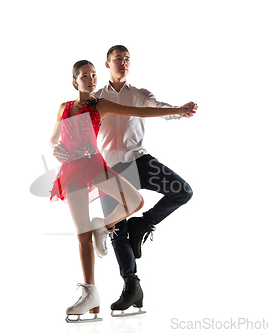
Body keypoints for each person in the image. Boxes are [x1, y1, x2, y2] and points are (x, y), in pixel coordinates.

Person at [49, 60, 197, 323]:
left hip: (94, 163)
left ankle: (102, 226)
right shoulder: (64, 107)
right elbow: (54, 137)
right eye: (85, 76)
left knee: (135, 201)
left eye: (94, 75)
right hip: (70, 169)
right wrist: (55, 147)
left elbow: (139, 112)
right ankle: (90, 295)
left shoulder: (100, 105)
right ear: (75, 81)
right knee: (81, 235)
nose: (92, 79)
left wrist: (178, 110)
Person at [92, 45, 196, 317]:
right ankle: (132, 285)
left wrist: (180, 110)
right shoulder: (96, 98)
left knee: (182, 191)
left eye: (127, 59)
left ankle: (145, 223)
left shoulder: (139, 94)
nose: (123, 63)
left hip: (139, 160)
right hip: (109, 169)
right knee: (116, 229)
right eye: (118, 59)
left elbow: (159, 108)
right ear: (107, 64)